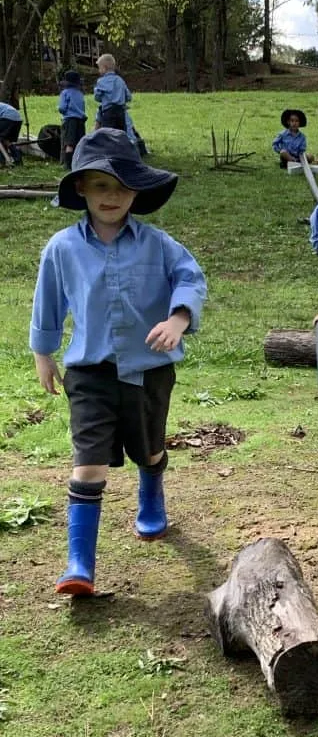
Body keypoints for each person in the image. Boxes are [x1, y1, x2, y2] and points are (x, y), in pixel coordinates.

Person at [29, 128, 207, 596]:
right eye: (102, 185)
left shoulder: (159, 244)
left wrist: (179, 318)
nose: (112, 196)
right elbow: (47, 302)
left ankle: (151, 494)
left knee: (148, 448)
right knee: (88, 462)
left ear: (137, 192)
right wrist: (43, 353)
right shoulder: (62, 248)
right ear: (82, 188)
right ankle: (78, 564)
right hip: (89, 373)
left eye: (123, 186)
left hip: (149, 370)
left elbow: (191, 279)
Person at [93, 53, 132, 132]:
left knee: (108, 134)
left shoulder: (101, 81)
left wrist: (102, 98)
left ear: (104, 68)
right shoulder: (120, 80)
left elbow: (97, 96)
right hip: (121, 112)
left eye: (99, 68)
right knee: (121, 133)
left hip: (108, 112)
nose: (99, 70)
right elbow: (128, 96)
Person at [57, 69, 87, 170]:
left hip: (70, 120)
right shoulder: (80, 94)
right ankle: (79, 163)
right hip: (81, 120)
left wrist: (63, 111)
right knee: (79, 143)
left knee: (69, 143)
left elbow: (62, 107)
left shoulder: (65, 93)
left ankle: (68, 165)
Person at [0, 98, 23, 163]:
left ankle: (5, 160)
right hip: (17, 119)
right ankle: (17, 159)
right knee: (6, 139)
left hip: (7, 117)